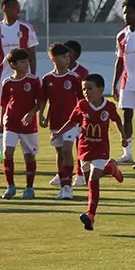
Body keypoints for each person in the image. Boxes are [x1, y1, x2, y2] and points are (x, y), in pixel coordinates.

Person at [50, 73, 124, 231]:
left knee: (93, 179)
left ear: (101, 89)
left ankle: (90, 215)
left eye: (89, 88)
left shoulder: (108, 106)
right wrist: (59, 133)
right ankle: (111, 168)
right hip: (84, 148)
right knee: (88, 176)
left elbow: (117, 120)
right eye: (84, 89)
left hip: (101, 148)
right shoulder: (82, 105)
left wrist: (124, 137)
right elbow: (72, 121)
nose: (86, 92)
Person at [0, 0, 38, 165]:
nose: (18, 11)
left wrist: (33, 75)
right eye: (15, 8)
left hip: (23, 78)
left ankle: (28, 148)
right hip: (1, 79)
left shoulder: (26, 28)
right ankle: (1, 152)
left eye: (19, 7)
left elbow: (32, 54)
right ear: (5, 9)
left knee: (25, 109)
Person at [0, 48, 43, 199]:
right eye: (23, 62)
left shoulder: (33, 81)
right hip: (11, 123)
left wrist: (31, 113)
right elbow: (4, 103)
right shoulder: (7, 82)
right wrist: (1, 118)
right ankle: (10, 186)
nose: (26, 64)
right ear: (12, 65)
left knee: (29, 156)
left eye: (27, 61)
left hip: (28, 126)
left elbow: (40, 102)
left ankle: (29, 188)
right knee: (7, 153)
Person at [41, 42, 82, 199]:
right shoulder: (47, 79)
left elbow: (81, 99)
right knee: (59, 152)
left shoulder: (74, 77)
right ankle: (63, 183)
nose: (67, 60)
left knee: (67, 149)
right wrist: (41, 116)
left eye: (68, 57)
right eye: (64, 57)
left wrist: (82, 118)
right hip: (55, 122)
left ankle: (68, 187)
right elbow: (44, 100)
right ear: (54, 58)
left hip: (71, 122)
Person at [112, 0, 135, 165]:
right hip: (128, 82)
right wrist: (114, 84)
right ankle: (128, 153)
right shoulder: (121, 35)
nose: (127, 16)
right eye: (125, 12)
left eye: (130, 12)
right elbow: (119, 61)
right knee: (127, 115)